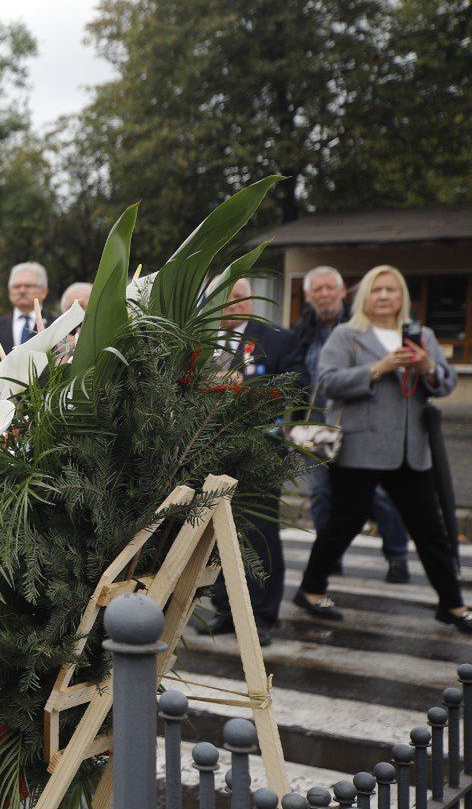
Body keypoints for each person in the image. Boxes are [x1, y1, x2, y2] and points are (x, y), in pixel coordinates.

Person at [294, 265, 472, 632]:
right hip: (361, 448)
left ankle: (452, 605)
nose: (384, 297)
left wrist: (427, 367)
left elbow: (445, 384)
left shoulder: (422, 335)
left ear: (402, 295)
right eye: (376, 290)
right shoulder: (349, 335)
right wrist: (379, 368)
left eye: (391, 290)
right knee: (345, 522)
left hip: (411, 450)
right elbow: (327, 383)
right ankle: (311, 589)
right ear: (364, 297)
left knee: (430, 529)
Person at [198, 279, 302, 643]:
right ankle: (225, 608)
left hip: (261, 452)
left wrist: (245, 388)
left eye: (239, 298)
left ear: (251, 301)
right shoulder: (199, 339)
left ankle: (261, 614)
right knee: (217, 531)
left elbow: (295, 387)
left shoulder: (277, 339)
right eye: (223, 299)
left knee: (259, 532)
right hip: (210, 450)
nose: (231, 305)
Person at [295, 265, 409, 583]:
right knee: (320, 494)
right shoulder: (301, 332)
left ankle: (397, 556)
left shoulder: (361, 325)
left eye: (329, 288)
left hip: (360, 421)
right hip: (319, 424)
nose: (324, 294)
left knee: (379, 494)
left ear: (342, 291)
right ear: (308, 296)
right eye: (317, 289)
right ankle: (329, 558)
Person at [0, 262, 51, 390]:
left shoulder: (57, 324)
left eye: (29, 286)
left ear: (44, 291)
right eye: (17, 286)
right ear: (9, 291)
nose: (22, 290)